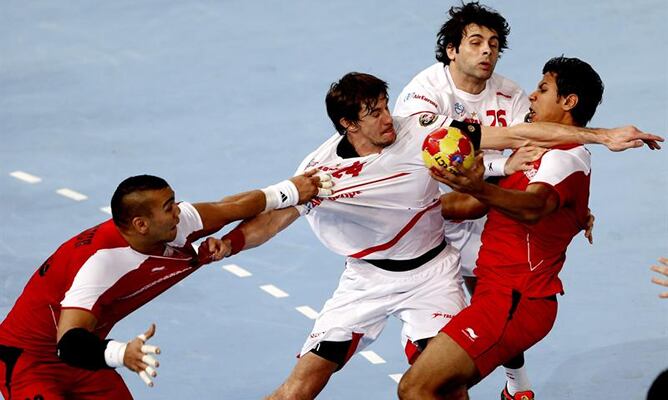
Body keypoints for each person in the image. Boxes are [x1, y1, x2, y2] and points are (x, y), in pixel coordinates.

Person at [212, 72, 661, 400]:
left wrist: (602, 136)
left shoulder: (421, 131)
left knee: (438, 385)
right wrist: (227, 245)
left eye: (386, 105)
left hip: (432, 274)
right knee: (302, 383)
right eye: (374, 113)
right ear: (349, 125)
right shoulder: (321, 169)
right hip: (364, 281)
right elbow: (273, 217)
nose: (389, 117)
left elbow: (516, 134)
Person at [396, 56, 661, 399]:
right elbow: (471, 205)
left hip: (518, 299)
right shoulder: (535, 152)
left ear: (569, 102)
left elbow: (535, 207)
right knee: (444, 390)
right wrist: (405, 210)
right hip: (496, 292)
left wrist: (478, 186)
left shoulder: (566, 157)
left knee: (415, 388)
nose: (531, 96)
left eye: (543, 88)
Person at [0, 172, 328, 400]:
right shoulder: (100, 264)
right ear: (141, 225)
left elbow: (235, 207)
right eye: (168, 207)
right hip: (31, 361)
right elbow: (68, 344)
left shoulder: (174, 225)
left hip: (88, 357)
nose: (178, 212)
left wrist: (294, 190)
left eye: (174, 201)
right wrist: (120, 352)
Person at [393, 4, 540, 395]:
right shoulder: (423, 93)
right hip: (429, 221)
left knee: (496, 306)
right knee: (437, 344)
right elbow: (431, 157)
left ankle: (516, 383)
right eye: (475, 42)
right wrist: (500, 165)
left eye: (494, 44)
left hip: (485, 215)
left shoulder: (510, 95)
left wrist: (574, 203)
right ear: (452, 50)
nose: (486, 51)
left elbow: (535, 149)